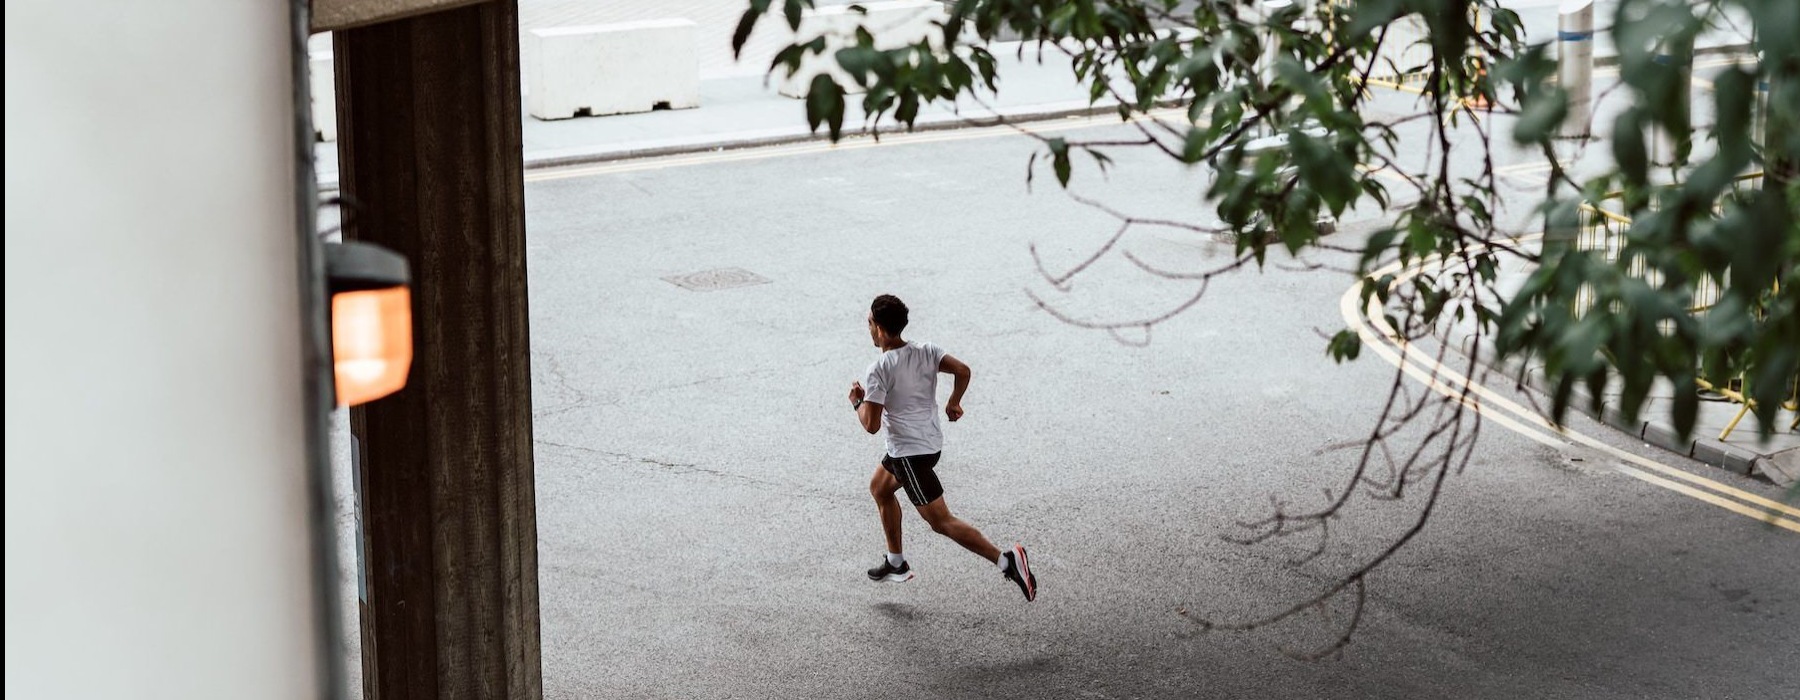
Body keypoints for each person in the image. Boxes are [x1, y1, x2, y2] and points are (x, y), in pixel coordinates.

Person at [848, 294, 1037, 601]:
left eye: (869, 322)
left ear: (880, 329)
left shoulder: (879, 369)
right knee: (880, 488)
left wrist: (857, 400)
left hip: (909, 454)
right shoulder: (927, 351)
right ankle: (896, 562)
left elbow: (870, 424)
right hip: (930, 444)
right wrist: (954, 402)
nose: (867, 327)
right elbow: (963, 371)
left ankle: (1006, 560)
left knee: (941, 522)